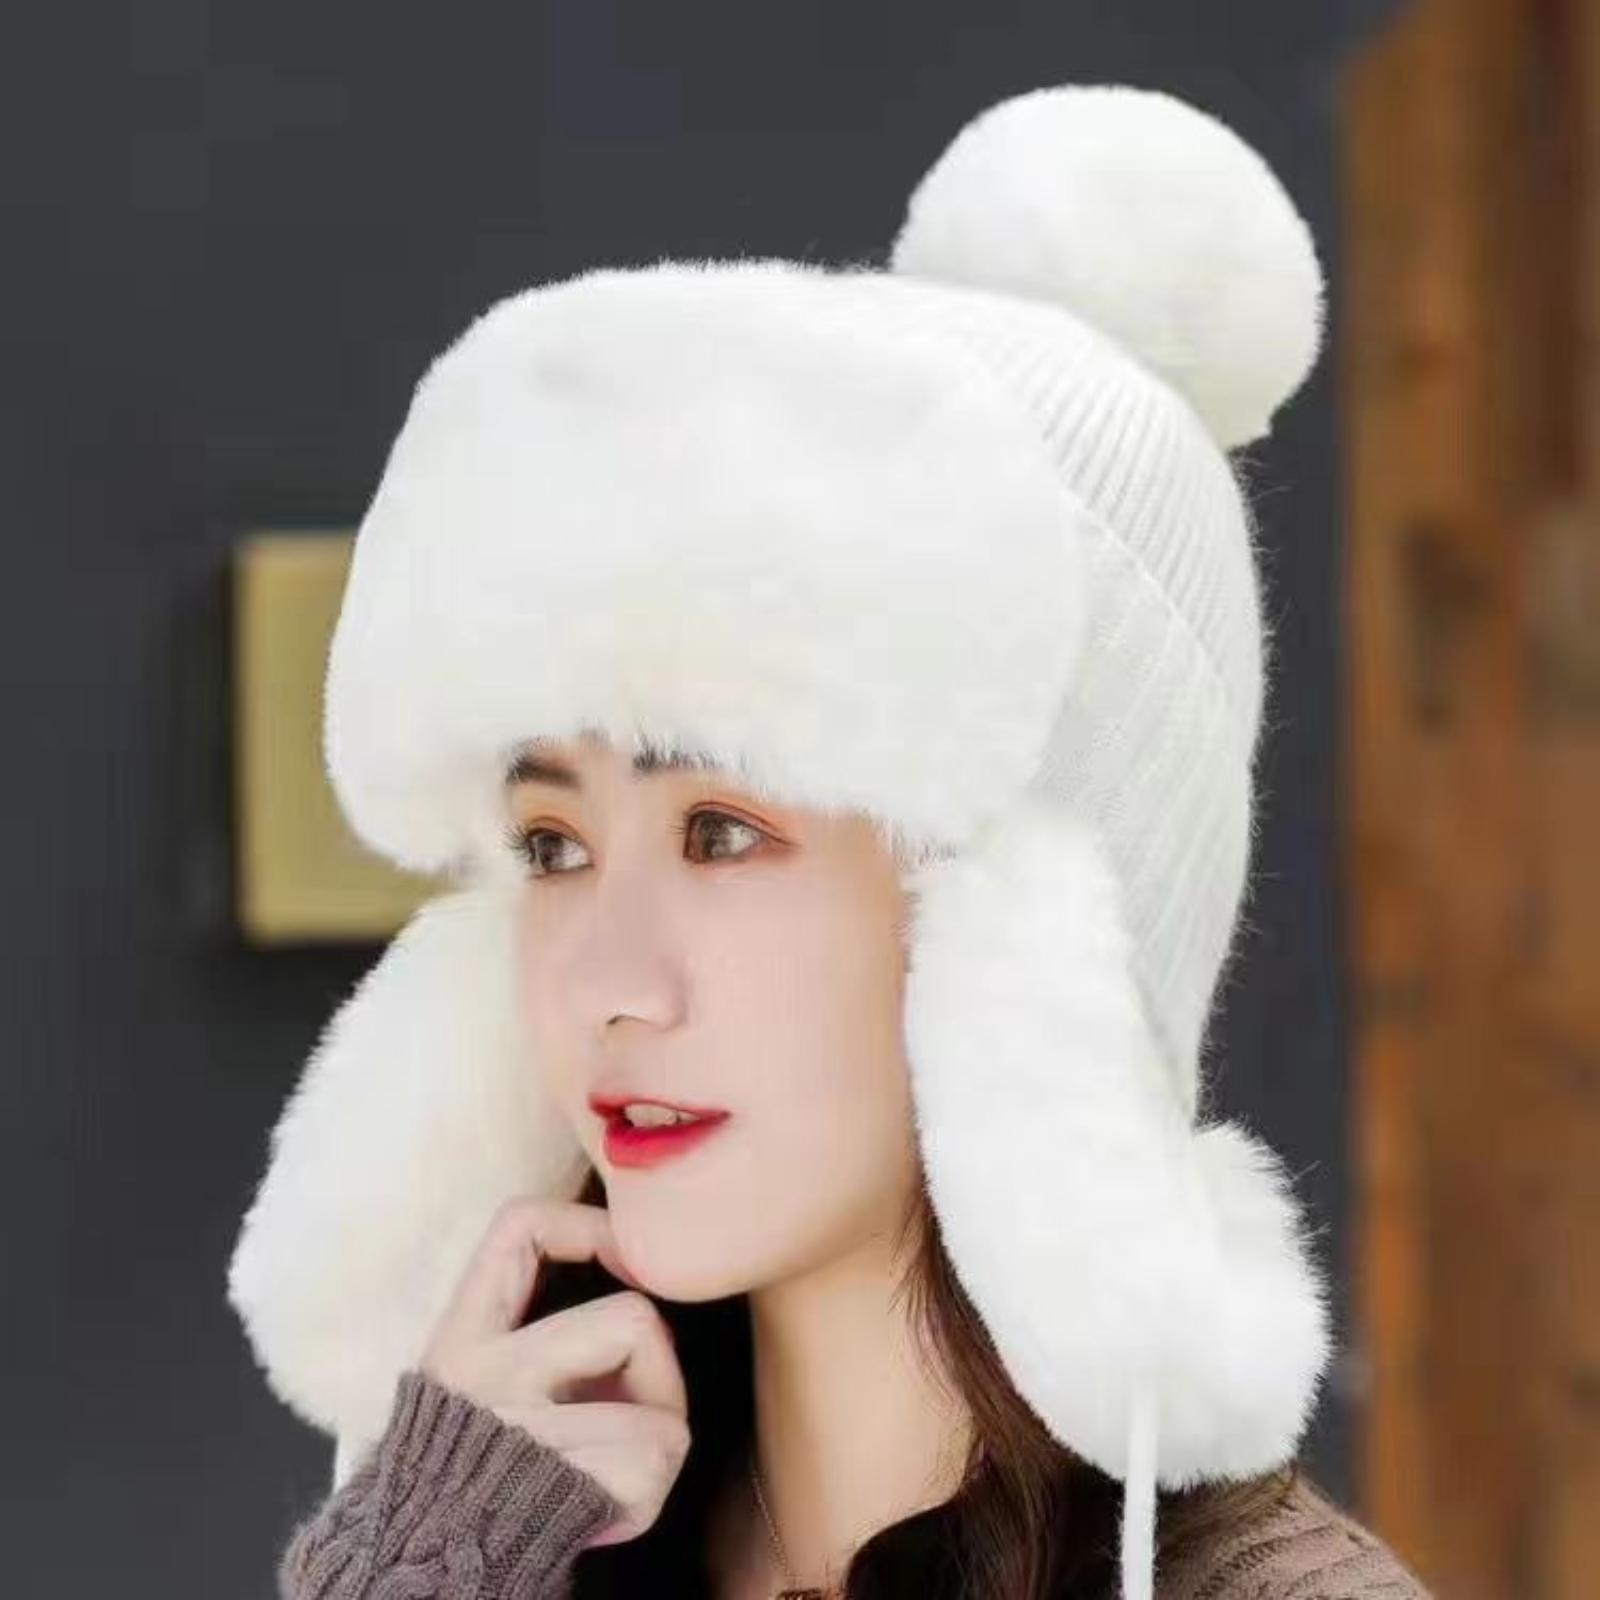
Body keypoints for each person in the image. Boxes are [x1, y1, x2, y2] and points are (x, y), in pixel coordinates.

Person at [227, 82, 1435, 1600]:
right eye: (552, 845)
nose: (609, 986)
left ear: (1020, 939)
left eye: (723, 830)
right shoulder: (512, 1541)